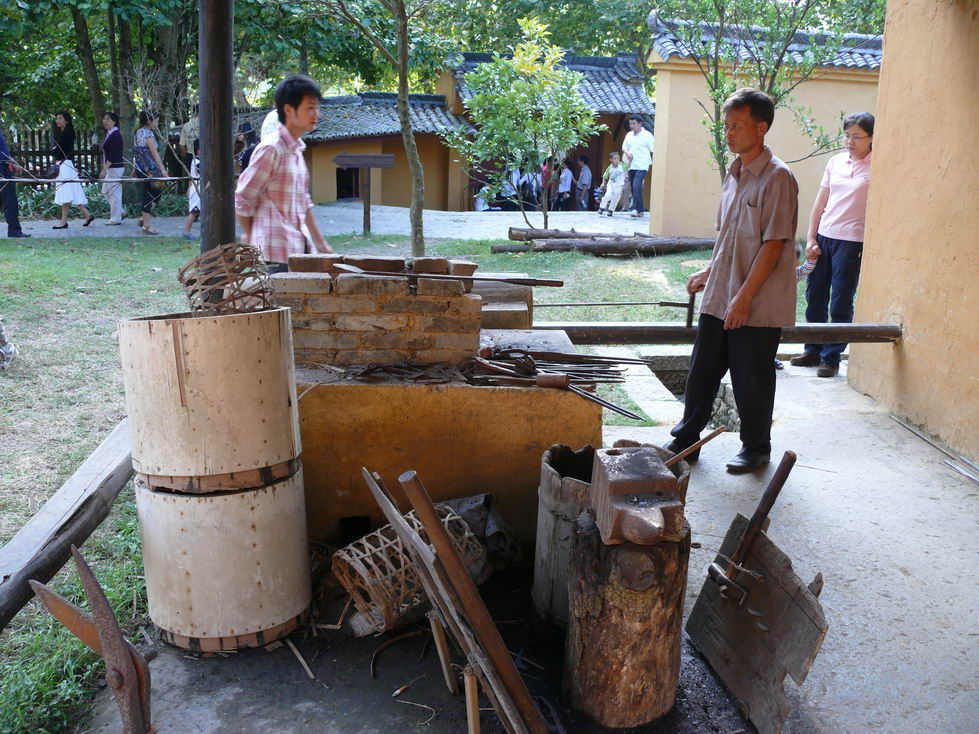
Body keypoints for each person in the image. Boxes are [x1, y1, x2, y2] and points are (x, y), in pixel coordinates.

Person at [665, 88, 799, 474]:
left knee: (750, 378)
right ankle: (686, 440)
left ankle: (756, 448)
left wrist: (743, 297)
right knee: (702, 368)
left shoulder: (778, 178)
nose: (729, 133)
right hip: (722, 292)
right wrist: (710, 273)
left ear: (761, 128)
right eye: (726, 126)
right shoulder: (735, 173)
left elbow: (775, 245)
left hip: (755, 300)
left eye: (736, 125)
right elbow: (729, 236)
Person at [790, 112, 875, 378]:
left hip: (852, 242)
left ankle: (831, 357)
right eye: (847, 135)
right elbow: (821, 200)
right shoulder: (835, 162)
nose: (850, 141)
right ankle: (812, 349)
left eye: (857, 137)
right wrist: (812, 236)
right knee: (814, 295)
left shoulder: (878, 166)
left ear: (871, 138)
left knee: (840, 300)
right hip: (825, 236)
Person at [235, 75, 332, 271]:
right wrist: (250, 236)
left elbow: (303, 202)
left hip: (297, 249)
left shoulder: (296, 149)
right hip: (273, 253)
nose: (316, 114)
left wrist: (321, 245)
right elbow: (243, 197)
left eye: (317, 108)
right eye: (310, 108)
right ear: (288, 110)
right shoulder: (271, 149)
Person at [50, 112, 94, 229]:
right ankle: (87, 215)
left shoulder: (66, 135)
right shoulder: (62, 134)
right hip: (66, 165)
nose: (57, 120)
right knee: (71, 191)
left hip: (65, 166)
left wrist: (55, 149)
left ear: (67, 121)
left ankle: (63, 222)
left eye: (60, 118)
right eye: (56, 118)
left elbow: (57, 152)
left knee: (66, 193)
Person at [133, 110, 169, 235]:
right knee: (153, 192)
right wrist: (163, 169)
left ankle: (144, 218)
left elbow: (137, 152)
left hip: (141, 168)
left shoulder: (137, 133)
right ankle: (146, 225)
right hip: (150, 169)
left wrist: (135, 168)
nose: (157, 124)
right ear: (149, 121)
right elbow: (154, 153)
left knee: (153, 191)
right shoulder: (148, 134)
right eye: (156, 121)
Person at [0, 114, 29, 238]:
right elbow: (3, 155)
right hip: (2, 169)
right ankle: (14, 231)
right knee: (10, 200)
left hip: (3, 166)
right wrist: (13, 163)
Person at [622, 115, 655, 218]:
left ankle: (635, 209)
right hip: (632, 165)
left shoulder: (647, 135)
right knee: (633, 187)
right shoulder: (629, 135)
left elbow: (654, 149)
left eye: (634, 124)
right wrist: (627, 153)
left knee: (636, 185)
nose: (632, 126)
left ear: (640, 124)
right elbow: (624, 147)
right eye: (630, 124)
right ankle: (640, 210)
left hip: (643, 165)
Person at [99, 111, 125, 225]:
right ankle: (121, 212)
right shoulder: (109, 134)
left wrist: (104, 169)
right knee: (105, 191)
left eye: (108, 119)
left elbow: (113, 155)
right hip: (111, 168)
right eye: (104, 119)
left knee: (114, 193)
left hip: (115, 167)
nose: (105, 121)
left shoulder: (116, 135)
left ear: (114, 122)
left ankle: (115, 219)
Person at [182, 139, 201, 240]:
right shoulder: (197, 162)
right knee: (194, 211)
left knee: (197, 211)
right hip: (197, 188)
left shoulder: (197, 161)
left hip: (198, 188)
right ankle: (186, 231)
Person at [598, 151, 626, 216]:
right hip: (611, 184)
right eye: (615, 158)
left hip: (619, 185)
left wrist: (625, 178)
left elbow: (626, 170)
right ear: (611, 159)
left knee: (616, 197)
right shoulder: (610, 168)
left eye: (618, 158)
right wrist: (603, 183)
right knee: (607, 195)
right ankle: (601, 208)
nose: (617, 160)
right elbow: (605, 176)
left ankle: (611, 210)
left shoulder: (622, 165)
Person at [179, 103, 199, 169]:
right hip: (207, 155)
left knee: (192, 177)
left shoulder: (186, 125)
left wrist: (186, 156)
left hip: (190, 156)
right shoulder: (210, 125)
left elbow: (182, 145)